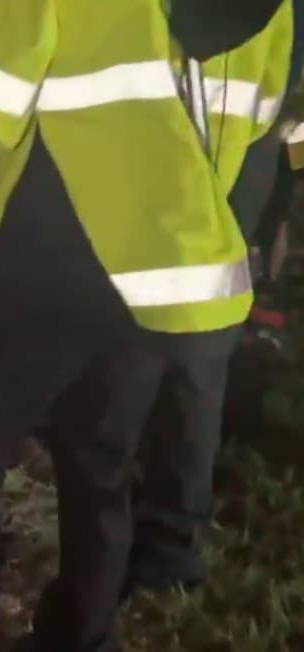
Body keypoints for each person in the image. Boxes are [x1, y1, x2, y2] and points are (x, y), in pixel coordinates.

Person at [0, 2, 292, 652]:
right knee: (102, 466)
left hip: (43, 256)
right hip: (160, 271)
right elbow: (255, 121)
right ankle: (81, 635)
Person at [126, 0, 304, 595]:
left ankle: (158, 538)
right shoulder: (281, 19)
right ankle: (167, 540)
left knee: (149, 354)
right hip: (237, 166)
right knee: (197, 363)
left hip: (160, 168)